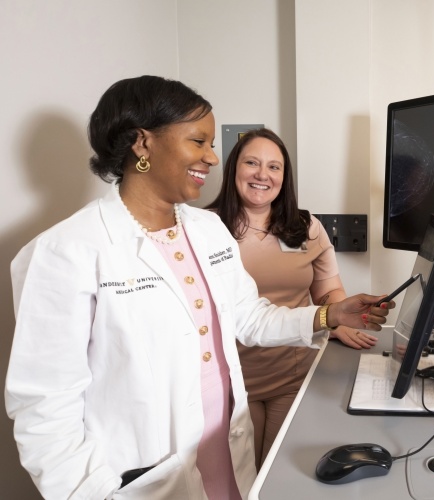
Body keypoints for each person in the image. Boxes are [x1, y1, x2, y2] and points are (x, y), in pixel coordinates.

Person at [5, 76, 393, 500]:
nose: (212, 156)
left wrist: (330, 314)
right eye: (198, 141)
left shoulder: (207, 229)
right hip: (145, 479)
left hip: (226, 450)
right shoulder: (65, 251)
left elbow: (249, 317)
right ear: (142, 143)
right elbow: (45, 409)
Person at [206, 128, 378, 469]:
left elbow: (328, 290)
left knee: (280, 471)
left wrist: (338, 320)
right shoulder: (205, 229)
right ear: (233, 168)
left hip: (293, 374)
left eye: (274, 167)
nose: (262, 175)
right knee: (240, 477)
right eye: (252, 163)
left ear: (284, 177)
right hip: (233, 381)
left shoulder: (305, 227)